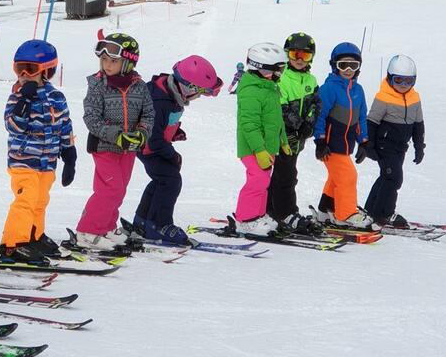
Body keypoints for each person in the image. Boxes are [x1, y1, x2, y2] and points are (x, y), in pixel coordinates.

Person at [75, 33, 154, 250]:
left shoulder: (140, 86)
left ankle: (107, 227)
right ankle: (88, 230)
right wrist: (116, 135)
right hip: (104, 146)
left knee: (119, 190)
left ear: (128, 62)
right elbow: (91, 117)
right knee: (109, 188)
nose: (107, 65)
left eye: (113, 61)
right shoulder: (97, 84)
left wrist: (141, 133)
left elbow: (148, 114)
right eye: (104, 60)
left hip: (129, 149)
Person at [132, 56, 222, 244]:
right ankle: (159, 225)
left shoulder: (171, 94)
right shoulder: (160, 101)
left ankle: (143, 220)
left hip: (154, 143)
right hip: (147, 146)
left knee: (162, 179)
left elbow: (161, 125)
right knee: (171, 180)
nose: (197, 98)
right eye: (198, 93)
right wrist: (172, 155)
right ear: (189, 87)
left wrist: (174, 133)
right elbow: (153, 138)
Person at [0, 40, 76, 261]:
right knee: (25, 201)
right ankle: (13, 244)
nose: (24, 74)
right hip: (23, 161)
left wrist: (69, 155)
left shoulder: (56, 97)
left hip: (47, 162)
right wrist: (24, 99)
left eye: (30, 69)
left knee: (40, 201)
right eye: (19, 68)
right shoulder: (16, 96)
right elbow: (13, 126)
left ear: (46, 71)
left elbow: (65, 125)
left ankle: (34, 236)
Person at [312, 43, 378, 229]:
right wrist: (320, 141)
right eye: (343, 65)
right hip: (330, 145)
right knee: (348, 176)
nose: (348, 70)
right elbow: (319, 116)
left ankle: (326, 211)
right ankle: (346, 214)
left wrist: (363, 142)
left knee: (336, 178)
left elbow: (361, 118)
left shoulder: (358, 90)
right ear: (334, 66)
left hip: (346, 145)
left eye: (353, 65)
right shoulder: (328, 89)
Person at [362, 55, 425, 228]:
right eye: (398, 80)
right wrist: (368, 145)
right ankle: (385, 213)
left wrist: (419, 147)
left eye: (409, 81)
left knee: (387, 177)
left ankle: (371, 210)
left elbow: (418, 125)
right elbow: (371, 122)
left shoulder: (414, 98)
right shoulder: (384, 97)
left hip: (400, 147)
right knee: (394, 179)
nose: (404, 85)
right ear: (390, 78)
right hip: (384, 145)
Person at [233, 43, 289, 236]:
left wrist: (283, 141)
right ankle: (245, 219)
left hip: (267, 147)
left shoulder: (268, 87)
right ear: (263, 68)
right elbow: (249, 125)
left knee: (263, 182)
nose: (280, 74)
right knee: (257, 181)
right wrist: (258, 149)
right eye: (278, 69)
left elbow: (276, 119)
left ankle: (257, 215)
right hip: (253, 147)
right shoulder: (251, 90)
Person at [268, 34, 322, 235]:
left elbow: (316, 103)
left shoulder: (310, 80)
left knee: (283, 173)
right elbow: (280, 107)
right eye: (294, 54)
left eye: (305, 56)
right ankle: (286, 212)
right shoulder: (281, 78)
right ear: (286, 55)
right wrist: (298, 125)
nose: (299, 60)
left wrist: (309, 123)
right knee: (287, 175)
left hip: (299, 137)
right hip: (283, 135)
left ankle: (270, 209)